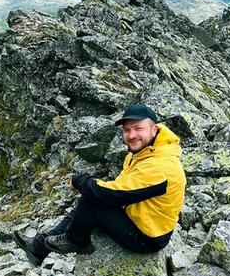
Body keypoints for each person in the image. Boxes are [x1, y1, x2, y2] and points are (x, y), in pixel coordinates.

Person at [13, 103, 186, 265]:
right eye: (127, 130)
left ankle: (77, 241)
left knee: (93, 199)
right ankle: (38, 248)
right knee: (89, 202)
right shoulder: (143, 153)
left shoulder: (162, 165)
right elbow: (123, 187)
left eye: (138, 128)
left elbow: (111, 194)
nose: (131, 135)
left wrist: (79, 181)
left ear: (154, 130)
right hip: (137, 217)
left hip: (147, 238)